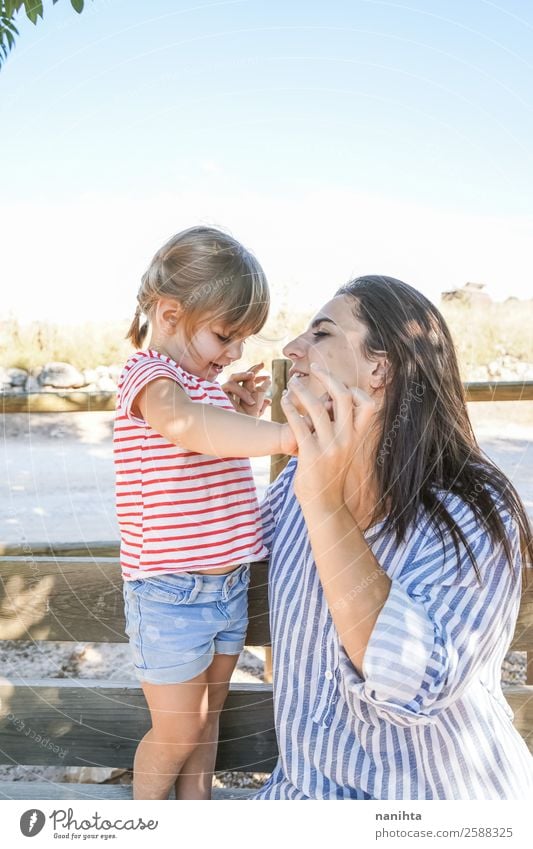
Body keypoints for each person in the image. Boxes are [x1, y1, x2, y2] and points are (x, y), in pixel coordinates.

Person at [253, 275, 533, 800]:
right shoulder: (295, 480)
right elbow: (212, 555)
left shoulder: (473, 507)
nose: (292, 348)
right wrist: (210, 431)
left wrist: (324, 504)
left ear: (379, 368)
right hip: (307, 800)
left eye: (322, 333)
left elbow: (412, 682)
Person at [115, 226, 294, 800]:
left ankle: (196, 816)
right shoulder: (151, 379)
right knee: (179, 726)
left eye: (244, 339)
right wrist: (282, 436)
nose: (236, 352)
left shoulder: (201, 386)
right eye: (225, 335)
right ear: (169, 313)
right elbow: (187, 427)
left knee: (207, 719)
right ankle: (144, 823)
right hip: (170, 592)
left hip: (226, 586)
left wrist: (236, 404)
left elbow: (209, 426)